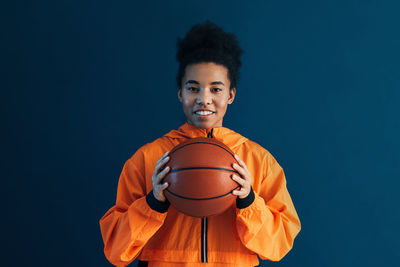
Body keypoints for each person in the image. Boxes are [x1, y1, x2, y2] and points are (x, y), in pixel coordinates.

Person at [99, 20, 301, 267]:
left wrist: (248, 200)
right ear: (180, 93)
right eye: (193, 88)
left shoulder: (258, 160)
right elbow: (115, 250)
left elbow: (280, 243)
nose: (204, 99)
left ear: (231, 95)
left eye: (216, 90)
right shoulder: (148, 158)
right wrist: (153, 202)